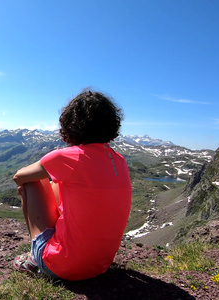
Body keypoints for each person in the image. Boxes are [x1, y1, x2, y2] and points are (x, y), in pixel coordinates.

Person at [13, 89, 132, 281]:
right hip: (99, 266)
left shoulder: (67, 157)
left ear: (71, 123)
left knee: (31, 182)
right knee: (61, 183)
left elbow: (19, 177)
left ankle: (37, 259)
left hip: (61, 267)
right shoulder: (119, 160)